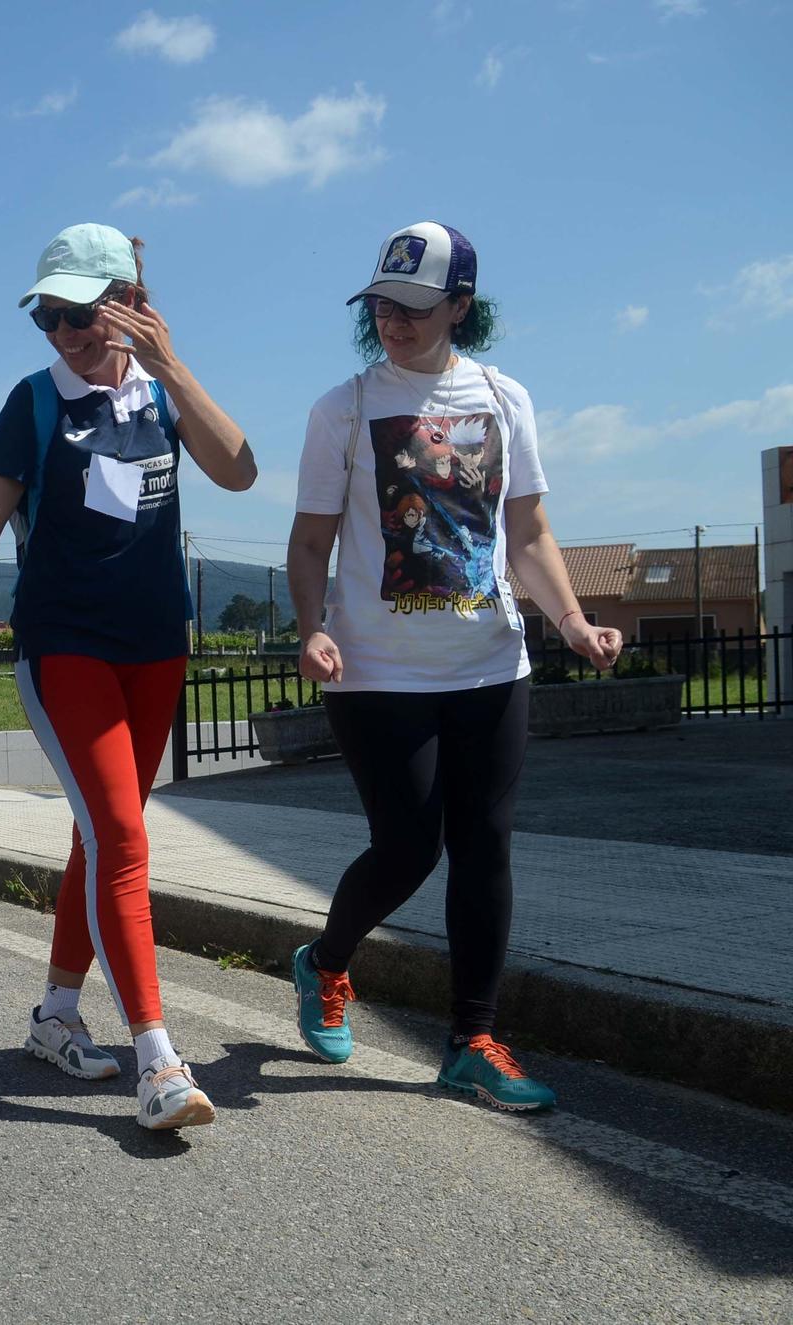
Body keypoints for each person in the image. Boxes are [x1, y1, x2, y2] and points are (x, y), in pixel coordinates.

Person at [0, 223, 256, 1131]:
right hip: (64, 646)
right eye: (48, 318)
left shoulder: (162, 395)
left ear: (128, 305)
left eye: (78, 314)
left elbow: (240, 469)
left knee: (98, 839)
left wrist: (172, 366)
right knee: (120, 834)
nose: (62, 333)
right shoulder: (31, 402)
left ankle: (56, 1017)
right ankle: (159, 1059)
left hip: (158, 647)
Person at [285, 221, 623, 1111]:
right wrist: (310, 625)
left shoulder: (505, 399)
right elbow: (312, 538)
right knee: (406, 847)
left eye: (415, 307)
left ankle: (471, 1039)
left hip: (490, 661)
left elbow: (528, 534)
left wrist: (574, 621)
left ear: (461, 307)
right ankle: (324, 962)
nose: (393, 322)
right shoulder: (343, 408)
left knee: (484, 848)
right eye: (383, 306)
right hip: (375, 670)